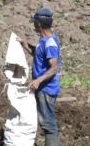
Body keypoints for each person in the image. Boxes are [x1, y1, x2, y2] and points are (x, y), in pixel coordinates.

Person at [19, 8, 61, 146]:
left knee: (48, 123)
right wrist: (25, 44)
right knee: (43, 119)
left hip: (46, 89)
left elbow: (54, 68)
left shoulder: (50, 43)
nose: (34, 26)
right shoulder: (43, 40)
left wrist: (38, 80)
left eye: (35, 23)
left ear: (40, 24)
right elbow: (38, 55)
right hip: (42, 87)